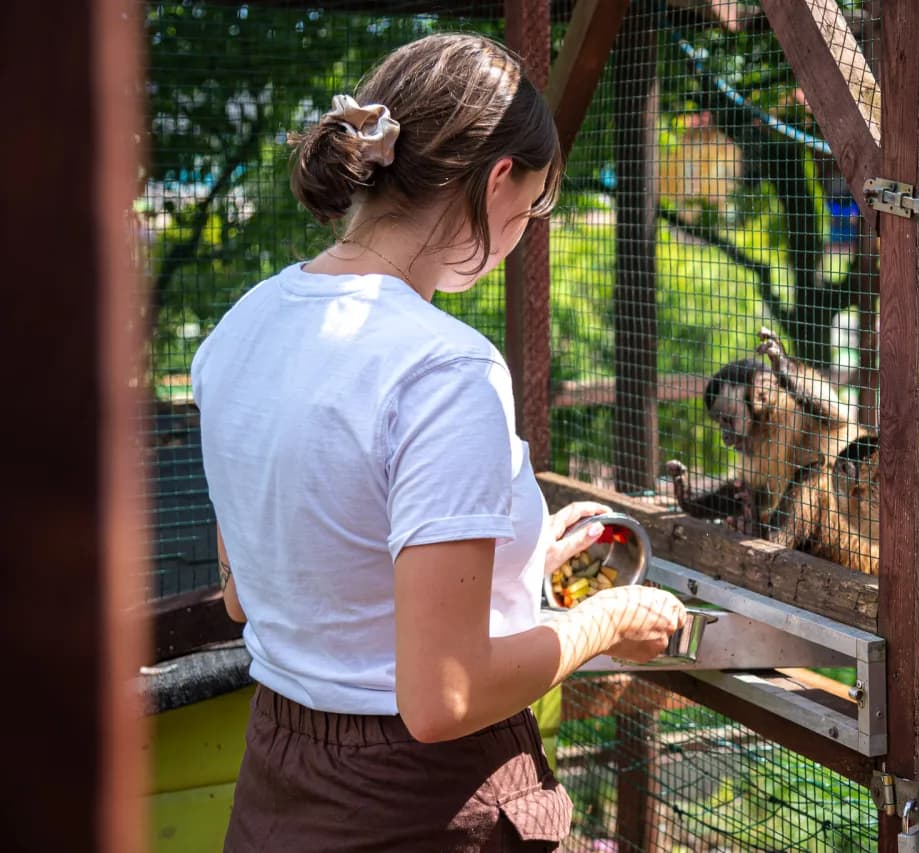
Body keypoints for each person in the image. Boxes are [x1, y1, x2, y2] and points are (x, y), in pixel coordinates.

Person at [192, 32, 688, 852]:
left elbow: (260, 589)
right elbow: (443, 697)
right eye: (533, 207)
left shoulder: (240, 331)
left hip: (277, 782)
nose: (524, 227)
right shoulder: (445, 365)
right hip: (417, 803)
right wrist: (609, 616)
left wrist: (517, 560)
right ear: (500, 182)